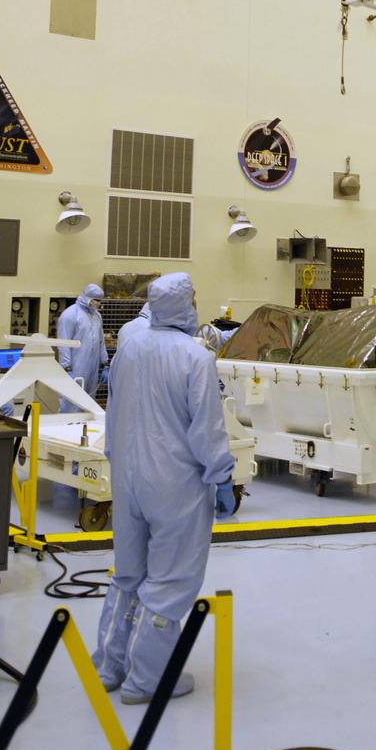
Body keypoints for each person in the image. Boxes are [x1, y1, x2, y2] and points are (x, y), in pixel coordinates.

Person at [92, 272, 235, 704]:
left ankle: (109, 667)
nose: (196, 303)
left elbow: (113, 410)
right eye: (193, 297)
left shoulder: (130, 347)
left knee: (129, 574)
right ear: (182, 305)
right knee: (170, 581)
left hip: (128, 476)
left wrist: (117, 462)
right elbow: (206, 430)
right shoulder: (194, 358)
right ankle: (146, 681)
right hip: (176, 484)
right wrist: (223, 478)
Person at [56, 284, 108, 399]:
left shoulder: (97, 316)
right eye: (95, 300)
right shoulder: (70, 315)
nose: (98, 303)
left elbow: (101, 341)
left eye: (100, 301)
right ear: (86, 297)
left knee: (89, 401)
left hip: (93, 368)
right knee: (71, 402)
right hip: (75, 367)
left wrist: (105, 364)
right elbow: (63, 343)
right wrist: (66, 368)